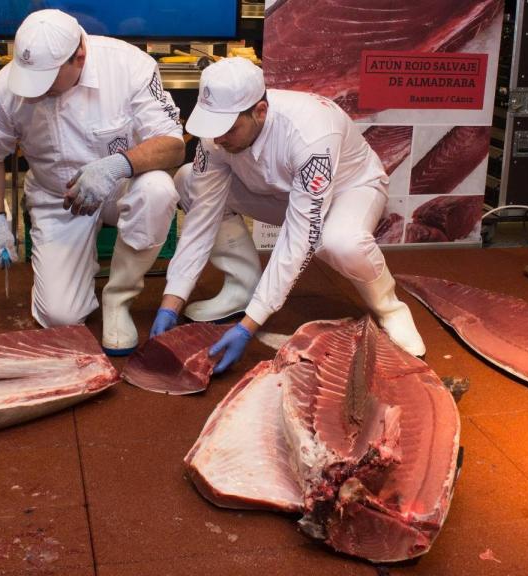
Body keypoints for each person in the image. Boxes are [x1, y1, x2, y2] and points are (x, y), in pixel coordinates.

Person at [150, 57, 426, 373]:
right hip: (278, 193)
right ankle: (242, 287)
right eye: (212, 126)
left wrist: (249, 325)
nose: (218, 139)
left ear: (260, 111)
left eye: (229, 129)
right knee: (187, 180)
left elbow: (299, 235)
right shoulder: (217, 136)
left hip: (349, 190)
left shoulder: (311, 133)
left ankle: (390, 308)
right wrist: (172, 301)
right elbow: (201, 217)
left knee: (340, 243)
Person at [0, 9, 184, 355]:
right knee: (60, 316)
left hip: (121, 187)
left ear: (79, 57)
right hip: (58, 198)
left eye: (47, 79)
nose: (35, 91)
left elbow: (173, 145)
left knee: (158, 189)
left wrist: (116, 166)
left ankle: (119, 298)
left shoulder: (130, 66)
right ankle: (78, 267)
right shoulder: (5, 87)